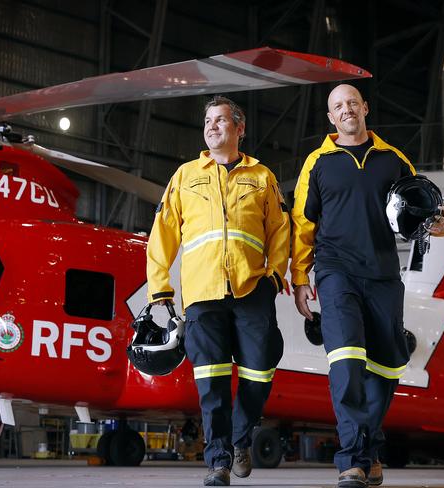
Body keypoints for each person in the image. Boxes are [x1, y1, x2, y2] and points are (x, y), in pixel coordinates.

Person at [290, 84, 444, 488]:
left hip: (383, 275)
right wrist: (299, 279)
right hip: (335, 272)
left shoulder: (394, 160)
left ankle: (368, 449)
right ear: (330, 118)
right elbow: (302, 226)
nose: (346, 110)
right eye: (337, 106)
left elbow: (423, 211)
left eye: (351, 103)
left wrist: (442, 224)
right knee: (345, 361)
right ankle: (351, 460)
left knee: (387, 366)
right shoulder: (318, 162)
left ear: (365, 108)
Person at [146, 95, 290, 486]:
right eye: (208, 121)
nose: (212, 126)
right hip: (202, 292)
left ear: (239, 129)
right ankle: (219, 461)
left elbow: (280, 229)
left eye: (221, 120)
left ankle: (241, 439)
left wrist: (275, 275)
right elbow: (161, 235)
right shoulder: (185, 176)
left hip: (252, 287)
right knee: (210, 380)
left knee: (260, 370)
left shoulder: (262, 176)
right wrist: (160, 290)